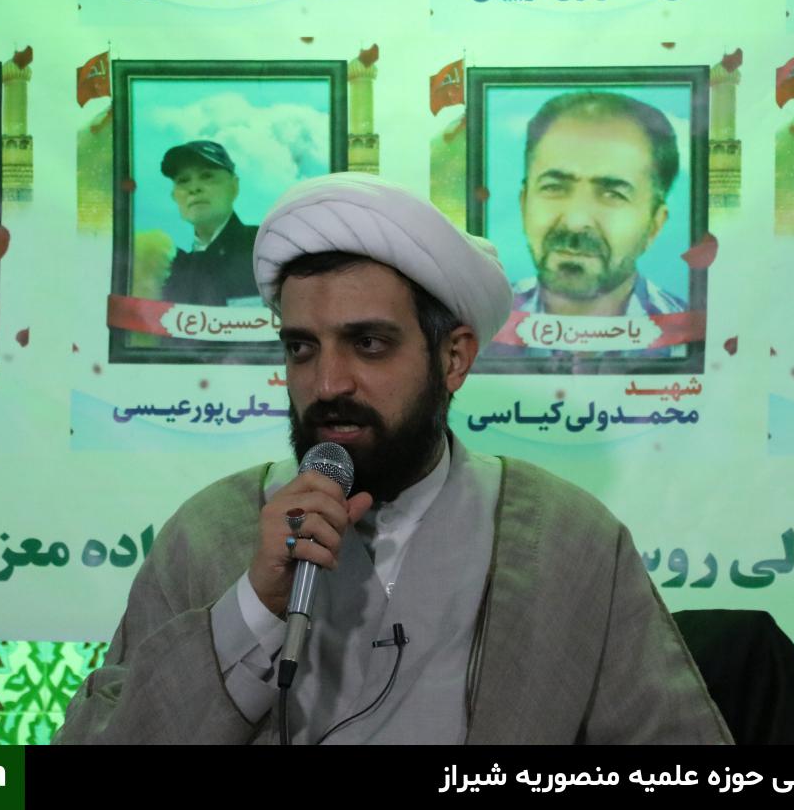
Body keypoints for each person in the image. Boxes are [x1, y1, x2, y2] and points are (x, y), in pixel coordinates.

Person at [55, 173, 730, 745]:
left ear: (454, 357)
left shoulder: (570, 540)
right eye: (301, 348)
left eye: (369, 344)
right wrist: (253, 609)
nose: (327, 384)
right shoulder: (208, 534)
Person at [514, 91, 687, 320]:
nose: (575, 222)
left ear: (654, 225)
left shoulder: (692, 332)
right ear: (524, 203)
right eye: (554, 187)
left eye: (613, 195)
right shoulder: (480, 320)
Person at [159, 140, 260, 307]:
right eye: (183, 180)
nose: (194, 188)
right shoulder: (170, 272)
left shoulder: (267, 246)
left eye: (207, 176)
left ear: (234, 187)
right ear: (174, 196)